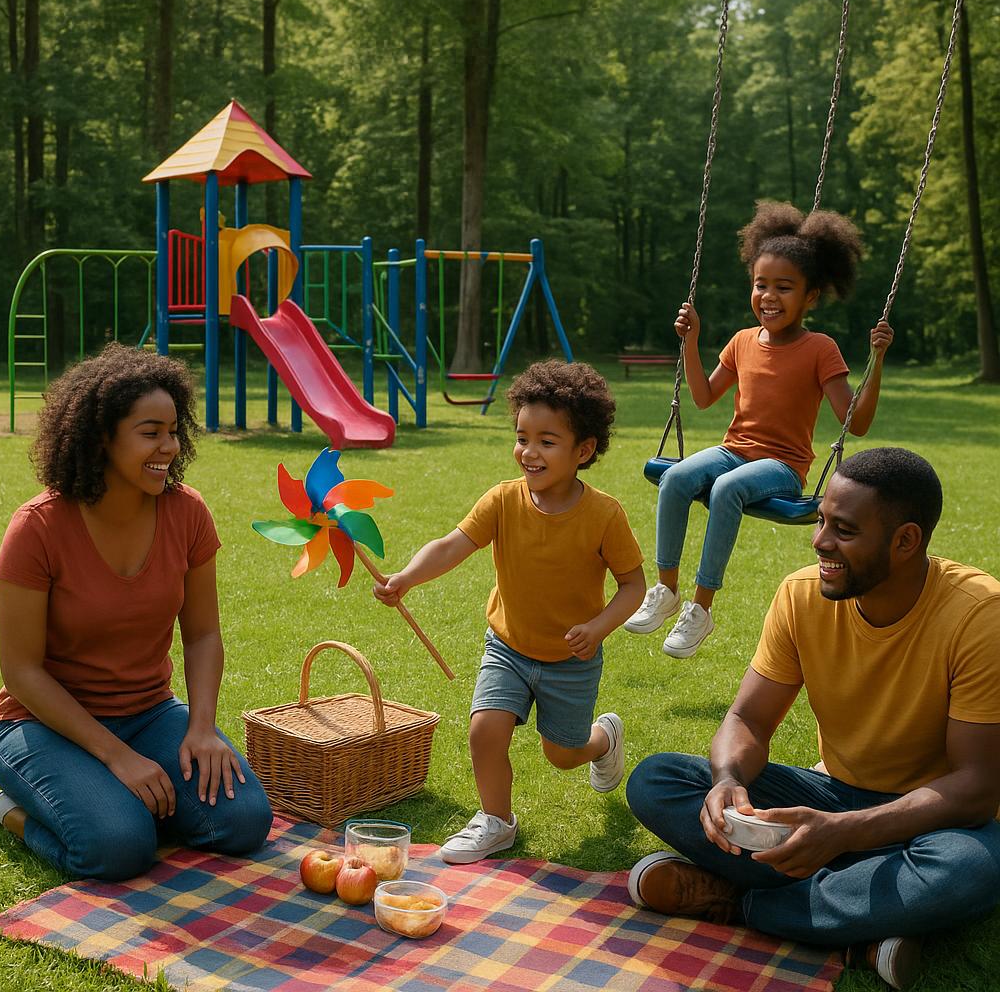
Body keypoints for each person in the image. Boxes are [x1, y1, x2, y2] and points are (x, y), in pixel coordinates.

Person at [625, 448, 1000, 990]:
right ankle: (865, 917)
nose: (819, 540)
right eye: (821, 519)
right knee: (657, 780)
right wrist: (729, 782)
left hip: (930, 821)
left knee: (971, 869)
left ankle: (740, 902)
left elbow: (976, 789)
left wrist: (842, 832)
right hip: (830, 793)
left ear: (905, 541)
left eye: (843, 530)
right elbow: (748, 719)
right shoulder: (800, 595)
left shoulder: (979, 617)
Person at [0, 344, 272, 880]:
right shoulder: (38, 528)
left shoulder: (188, 513)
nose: (170, 445)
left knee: (245, 822)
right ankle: (14, 811)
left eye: (173, 430)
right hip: (41, 725)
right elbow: (21, 672)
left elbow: (204, 635)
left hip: (149, 713)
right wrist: (117, 758)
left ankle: (124, 804)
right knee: (120, 848)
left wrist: (203, 728)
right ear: (101, 438)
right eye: (150, 432)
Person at [374, 360, 645, 864]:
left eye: (546, 441)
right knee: (485, 729)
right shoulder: (503, 500)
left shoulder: (605, 515)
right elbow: (451, 544)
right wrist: (407, 577)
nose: (528, 452)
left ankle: (603, 738)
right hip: (509, 646)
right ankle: (497, 821)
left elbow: (634, 586)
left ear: (583, 450)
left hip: (571, 659)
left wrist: (598, 626)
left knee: (562, 755)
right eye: (522, 437)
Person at [624, 201, 894, 658]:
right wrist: (690, 343)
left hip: (782, 466)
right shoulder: (742, 341)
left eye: (784, 287)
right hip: (734, 449)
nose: (769, 296)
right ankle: (666, 588)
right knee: (675, 477)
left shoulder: (819, 349)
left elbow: (858, 422)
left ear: (810, 297)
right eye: (760, 285)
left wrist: (877, 360)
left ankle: (700, 609)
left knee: (727, 488)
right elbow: (704, 397)